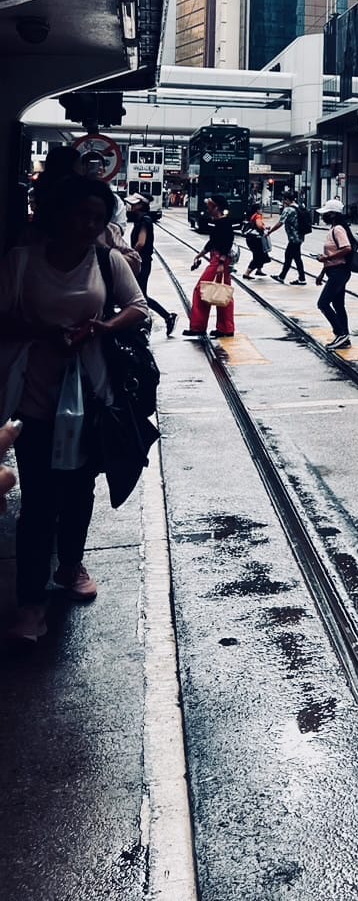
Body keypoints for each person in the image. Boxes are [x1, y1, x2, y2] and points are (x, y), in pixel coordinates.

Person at [0, 175, 149, 642]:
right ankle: (31, 604)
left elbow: (138, 307)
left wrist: (102, 328)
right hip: (35, 397)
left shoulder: (106, 260)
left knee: (80, 489)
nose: (88, 225)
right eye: (81, 215)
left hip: (92, 397)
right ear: (59, 213)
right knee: (38, 501)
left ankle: (70, 565)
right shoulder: (22, 261)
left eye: (98, 218)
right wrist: (45, 334)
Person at [124, 193, 177, 335]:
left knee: (140, 296)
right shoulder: (142, 219)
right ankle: (166, 317)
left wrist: (130, 255)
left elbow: (141, 242)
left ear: (141, 205)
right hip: (142, 261)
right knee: (140, 295)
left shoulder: (144, 220)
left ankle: (165, 317)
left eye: (135, 204)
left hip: (142, 262)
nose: (131, 206)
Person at [185, 195, 235, 338]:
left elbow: (227, 242)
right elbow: (212, 242)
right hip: (218, 259)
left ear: (216, 208)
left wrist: (221, 263)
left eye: (210, 206)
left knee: (204, 290)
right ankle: (225, 328)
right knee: (222, 293)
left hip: (219, 261)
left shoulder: (225, 223)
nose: (208, 209)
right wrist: (200, 255)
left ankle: (199, 327)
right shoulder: (218, 222)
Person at [314, 199, 353, 349]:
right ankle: (345, 338)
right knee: (338, 305)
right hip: (334, 271)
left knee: (323, 303)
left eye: (326, 213)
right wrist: (322, 273)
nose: (323, 216)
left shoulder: (338, 229)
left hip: (339, 272)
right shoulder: (334, 229)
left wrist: (326, 258)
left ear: (332, 214)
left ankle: (341, 333)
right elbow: (331, 255)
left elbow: (346, 248)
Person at [268, 191, 307, 284]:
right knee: (296, 258)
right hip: (300, 236)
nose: (283, 202)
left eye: (283, 200)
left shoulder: (288, 210)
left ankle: (282, 277)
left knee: (289, 256)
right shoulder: (299, 207)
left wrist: (270, 231)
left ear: (286, 200)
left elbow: (280, 223)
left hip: (293, 238)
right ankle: (301, 278)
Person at [241, 202, 271, 279]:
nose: (262, 210)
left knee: (260, 255)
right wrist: (265, 228)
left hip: (251, 239)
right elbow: (259, 226)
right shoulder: (257, 216)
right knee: (258, 256)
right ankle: (247, 273)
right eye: (261, 209)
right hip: (255, 239)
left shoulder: (253, 215)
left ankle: (259, 270)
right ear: (257, 210)